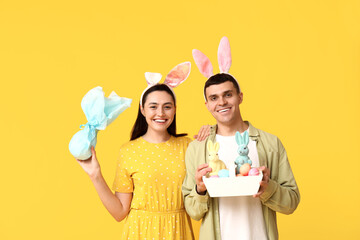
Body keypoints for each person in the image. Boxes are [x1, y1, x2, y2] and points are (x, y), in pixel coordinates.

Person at [182, 37, 300, 240]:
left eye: (228, 94)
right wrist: (200, 189)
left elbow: (291, 202)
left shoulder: (270, 143)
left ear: (240, 97)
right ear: (207, 104)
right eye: (214, 98)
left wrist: (267, 187)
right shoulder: (198, 148)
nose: (222, 102)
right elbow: (193, 211)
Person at [77, 62, 210, 240]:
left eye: (167, 106)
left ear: (175, 110)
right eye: (153, 106)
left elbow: (217, 175)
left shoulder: (189, 146)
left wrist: (215, 132)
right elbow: (119, 212)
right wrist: (95, 175)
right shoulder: (128, 151)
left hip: (179, 232)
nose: (160, 113)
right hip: (140, 233)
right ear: (142, 109)